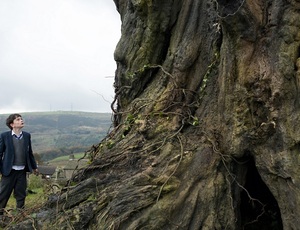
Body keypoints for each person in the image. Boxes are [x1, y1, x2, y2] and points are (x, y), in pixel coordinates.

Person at [0, 113, 38, 219]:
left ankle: (20, 216)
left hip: (22, 170)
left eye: (21, 119)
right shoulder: (5, 136)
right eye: (18, 119)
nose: (21, 120)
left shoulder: (26, 135)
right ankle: (0, 215)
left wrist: (34, 167)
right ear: (12, 124)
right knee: (3, 194)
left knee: (21, 194)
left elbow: (29, 152)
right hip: (8, 171)